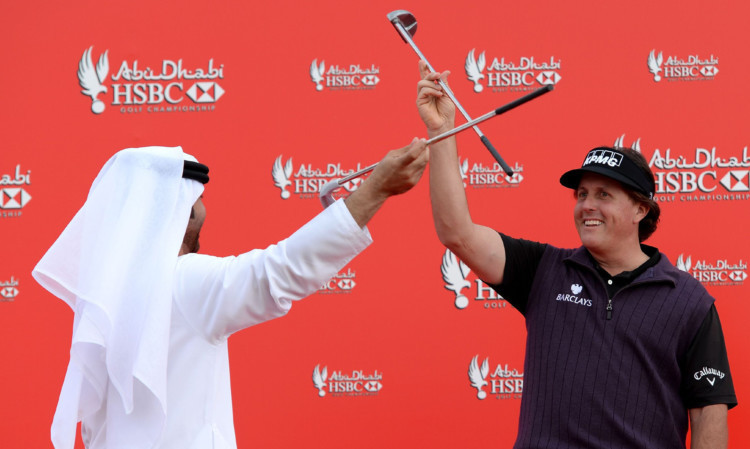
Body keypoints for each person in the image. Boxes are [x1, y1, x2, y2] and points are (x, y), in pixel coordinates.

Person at [416, 61, 736, 449]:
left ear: (641, 210)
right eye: (582, 194)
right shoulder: (543, 269)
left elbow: (708, 414)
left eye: (604, 195)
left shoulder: (690, 301)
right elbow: (456, 232)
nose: (587, 205)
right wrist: (441, 130)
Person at [33, 140, 428, 449]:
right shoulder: (181, 281)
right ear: (182, 211)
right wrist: (375, 189)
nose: (205, 211)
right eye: (199, 200)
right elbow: (279, 272)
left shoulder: (103, 299)